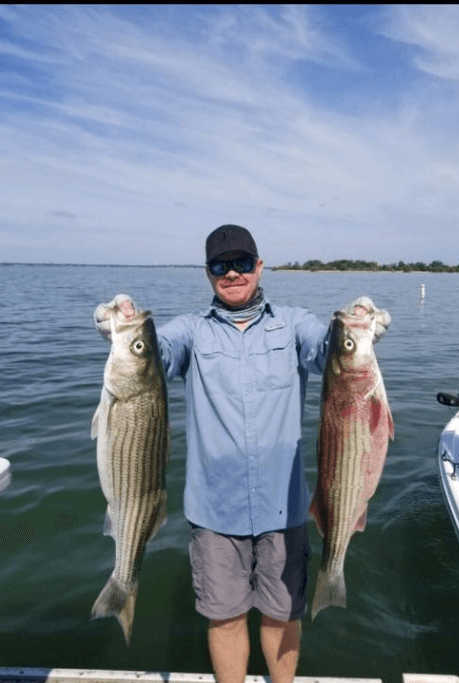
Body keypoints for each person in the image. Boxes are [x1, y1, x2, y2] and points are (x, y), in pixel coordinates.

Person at [95, 225, 330, 683]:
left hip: (284, 510)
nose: (233, 273)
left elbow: (329, 351)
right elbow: (154, 354)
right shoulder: (190, 331)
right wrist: (115, 328)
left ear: (259, 267)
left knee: (283, 616)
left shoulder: (294, 324)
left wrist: (357, 331)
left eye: (243, 263)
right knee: (225, 618)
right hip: (214, 510)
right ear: (208, 274)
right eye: (222, 266)